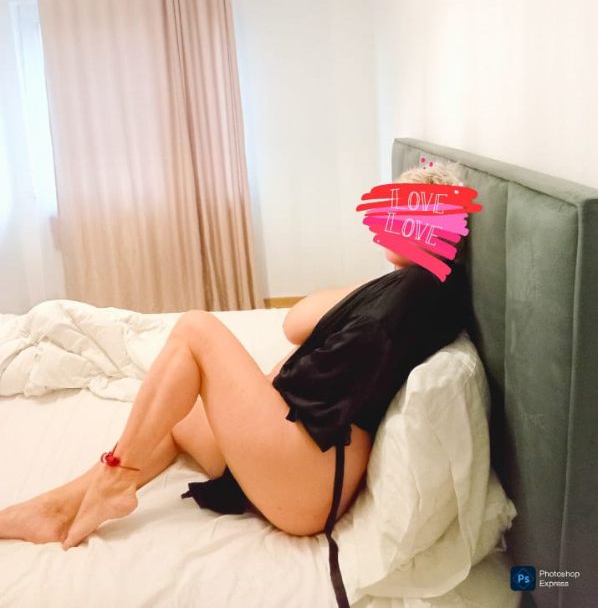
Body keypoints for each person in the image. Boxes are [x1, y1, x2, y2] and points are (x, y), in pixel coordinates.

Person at [0, 161, 472, 608]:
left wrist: (266, 388)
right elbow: (296, 323)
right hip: (307, 471)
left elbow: (322, 368)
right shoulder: (408, 286)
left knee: (196, 329)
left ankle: (112, 481)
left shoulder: (417, 293)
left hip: (311, 476)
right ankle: (63, 503)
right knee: (172, 407)